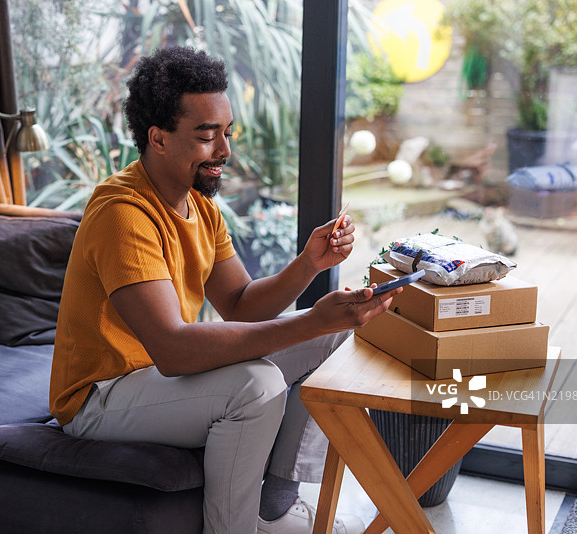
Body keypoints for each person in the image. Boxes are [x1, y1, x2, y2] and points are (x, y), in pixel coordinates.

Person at [49, 46, 400, 534]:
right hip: (100, 398)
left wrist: (307, 265)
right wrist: (312, 317)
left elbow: (239, 305)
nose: (225, 150)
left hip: (157, 382)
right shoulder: (122, 213)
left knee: (336, 340)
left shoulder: (200, 208)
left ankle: (275, 502)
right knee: (256, 386)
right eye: (207, 136)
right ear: (159, 139)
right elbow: (172, 350)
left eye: (227, 133)